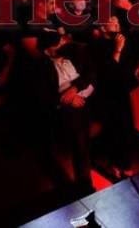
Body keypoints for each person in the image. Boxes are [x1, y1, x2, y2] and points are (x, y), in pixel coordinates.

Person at [37, 29, 96, 196]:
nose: (62, 45)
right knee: (79, 136)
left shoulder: (74, 53)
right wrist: (68, 98)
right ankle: (85, 186)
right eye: (57, 45)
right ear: (47, 50)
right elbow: (45, 98)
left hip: (86, 94)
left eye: (61, 42)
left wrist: (75, 89)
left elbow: (90, 74)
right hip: (66, 106)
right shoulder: (41, 67)